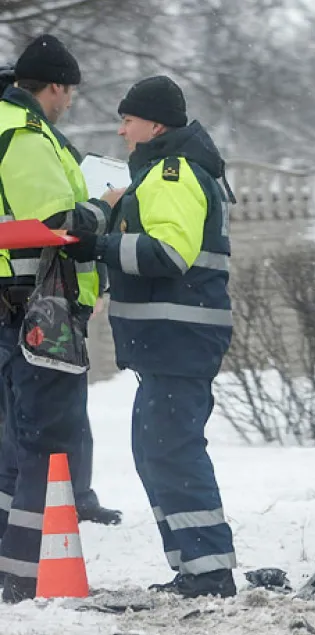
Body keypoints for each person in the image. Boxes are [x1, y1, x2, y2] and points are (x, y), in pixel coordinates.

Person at [62, 75, 238, 598]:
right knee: (158, 451)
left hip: (179, 337)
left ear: (155, 125)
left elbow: (169, 253)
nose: (121, 131)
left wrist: (101, 245)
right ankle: (196, 567)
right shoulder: (166, 172)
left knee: (171, 452)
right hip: (172, 339)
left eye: (128, 120)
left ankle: (208, 573)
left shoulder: (172, 171)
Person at [0, 34, 119, 602]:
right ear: (52, 87)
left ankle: (12, 567)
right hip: (32, 311)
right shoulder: (22, 134)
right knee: (46, 446)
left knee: (13, 447)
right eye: (68, 92)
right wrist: (105, 206)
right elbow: (57, 223)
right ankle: (28, 577)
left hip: (12, 304)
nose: (69, 102)